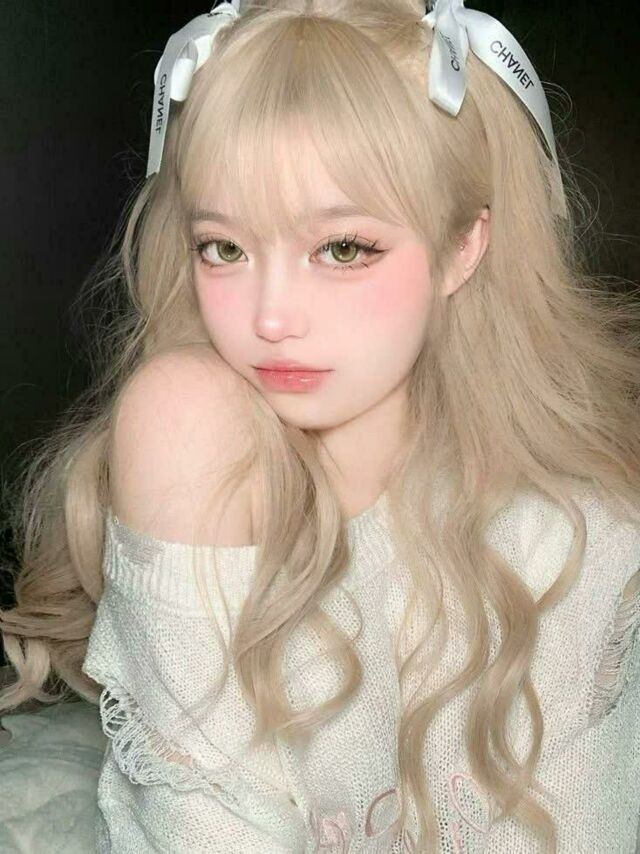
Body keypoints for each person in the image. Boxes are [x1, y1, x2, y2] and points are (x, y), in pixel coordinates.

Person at [1, 0, 640, 851]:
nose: (270, 318)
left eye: (342, 249)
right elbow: (205, 831)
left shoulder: (575, 532)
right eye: (225, 248)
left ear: (463, 247)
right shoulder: (191, 427)